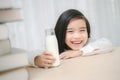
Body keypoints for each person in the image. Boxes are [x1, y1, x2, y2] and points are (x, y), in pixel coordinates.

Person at [32, 9, 113, 68]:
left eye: (82, 30)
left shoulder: (88, 43)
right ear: (61, 32)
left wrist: (79, 52)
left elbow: (107, 44)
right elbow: (30, 55)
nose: (77, 36)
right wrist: (37, 60)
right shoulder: (55, 47)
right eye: (70, 31)